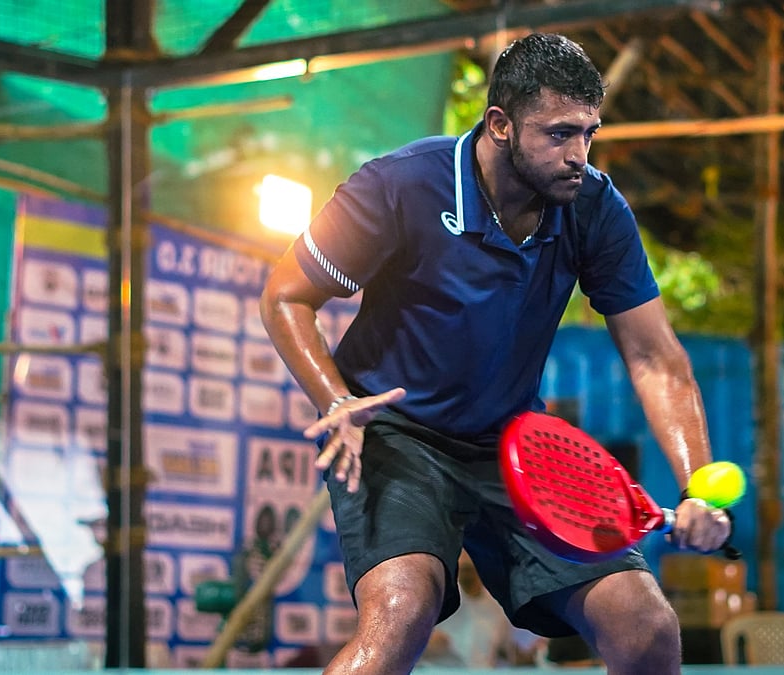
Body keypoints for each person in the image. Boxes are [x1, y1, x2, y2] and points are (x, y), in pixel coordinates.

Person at [259, 32, 733, 675]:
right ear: (501, 125)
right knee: (401, 612)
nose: (579, 155)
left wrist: (700, 488)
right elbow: (287, 296)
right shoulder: (401, 185)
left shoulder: (594, 207)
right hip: (396, 435)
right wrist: (335, 398)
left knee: (646, 627)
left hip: (520, 446)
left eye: (589, 133)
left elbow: (656, 358)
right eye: (558, 134)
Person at [417, 551, 535, 668]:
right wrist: (425, 644)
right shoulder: (439, 599)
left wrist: (524, 657)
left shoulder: (498, 605)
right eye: (462, 570)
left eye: (469, 570)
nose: (466, 576)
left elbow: (503, 648)